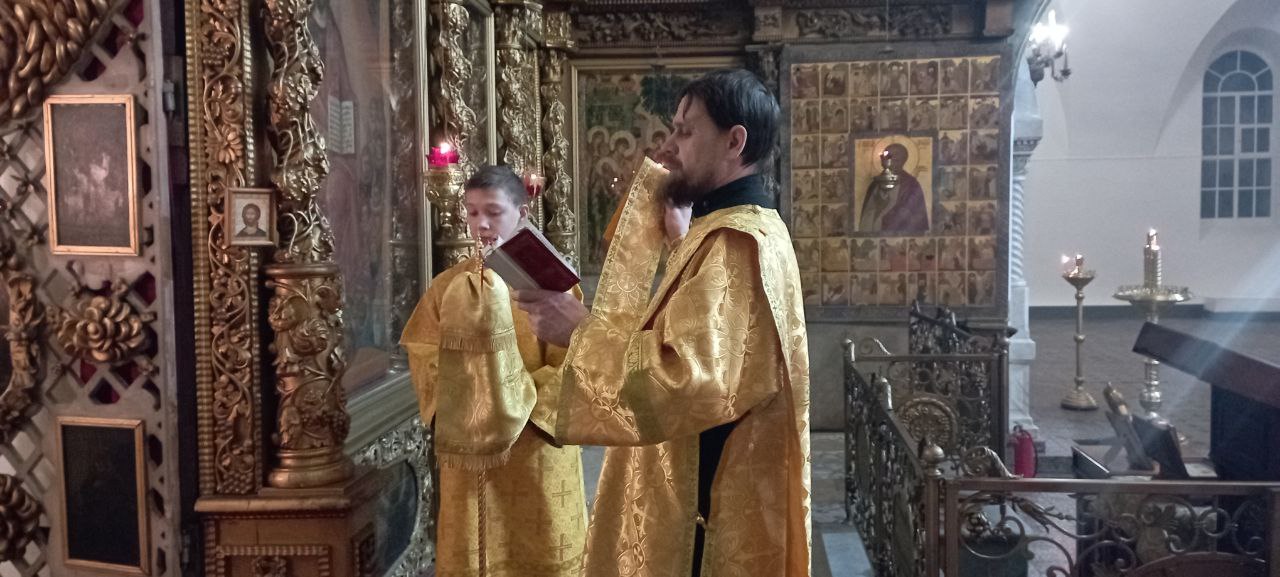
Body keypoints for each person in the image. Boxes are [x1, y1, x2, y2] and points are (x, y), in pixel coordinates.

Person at [515, 69, 811, 577]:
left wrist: (581, 331)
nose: (669, 145)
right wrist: (678, 240)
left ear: (734, 141)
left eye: (686, 131)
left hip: (706, 502)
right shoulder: (745, 226)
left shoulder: (735, 244)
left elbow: (689, 380)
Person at [400, 165, 587, 577]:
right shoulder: (448, 287)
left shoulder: (551, 285)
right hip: (473, 454)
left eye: (493, 211)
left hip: (534, 447)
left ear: (521, 213)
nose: (481, 223)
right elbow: (423, 350)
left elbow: (575, 362)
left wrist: (512, 404)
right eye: (472, 212)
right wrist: (468, 404)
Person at [860, 143, 929, 234]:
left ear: (901, 161)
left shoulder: (911, 184)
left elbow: (915, 214)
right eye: (886, 157)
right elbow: (867, 212)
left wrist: (889, 216)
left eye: (895, 159)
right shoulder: (875, 184)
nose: (888, 161)